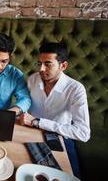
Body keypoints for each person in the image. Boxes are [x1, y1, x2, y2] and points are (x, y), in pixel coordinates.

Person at [19, 42, 90, 178]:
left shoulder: (75, 89)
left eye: (48, 64)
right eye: (39, 63)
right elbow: (24, 106)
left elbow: (83, 133)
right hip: (30, 133)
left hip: (60, 138)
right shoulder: (33, 79)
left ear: (63, 66)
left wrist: (38, 122)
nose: (41, 68)